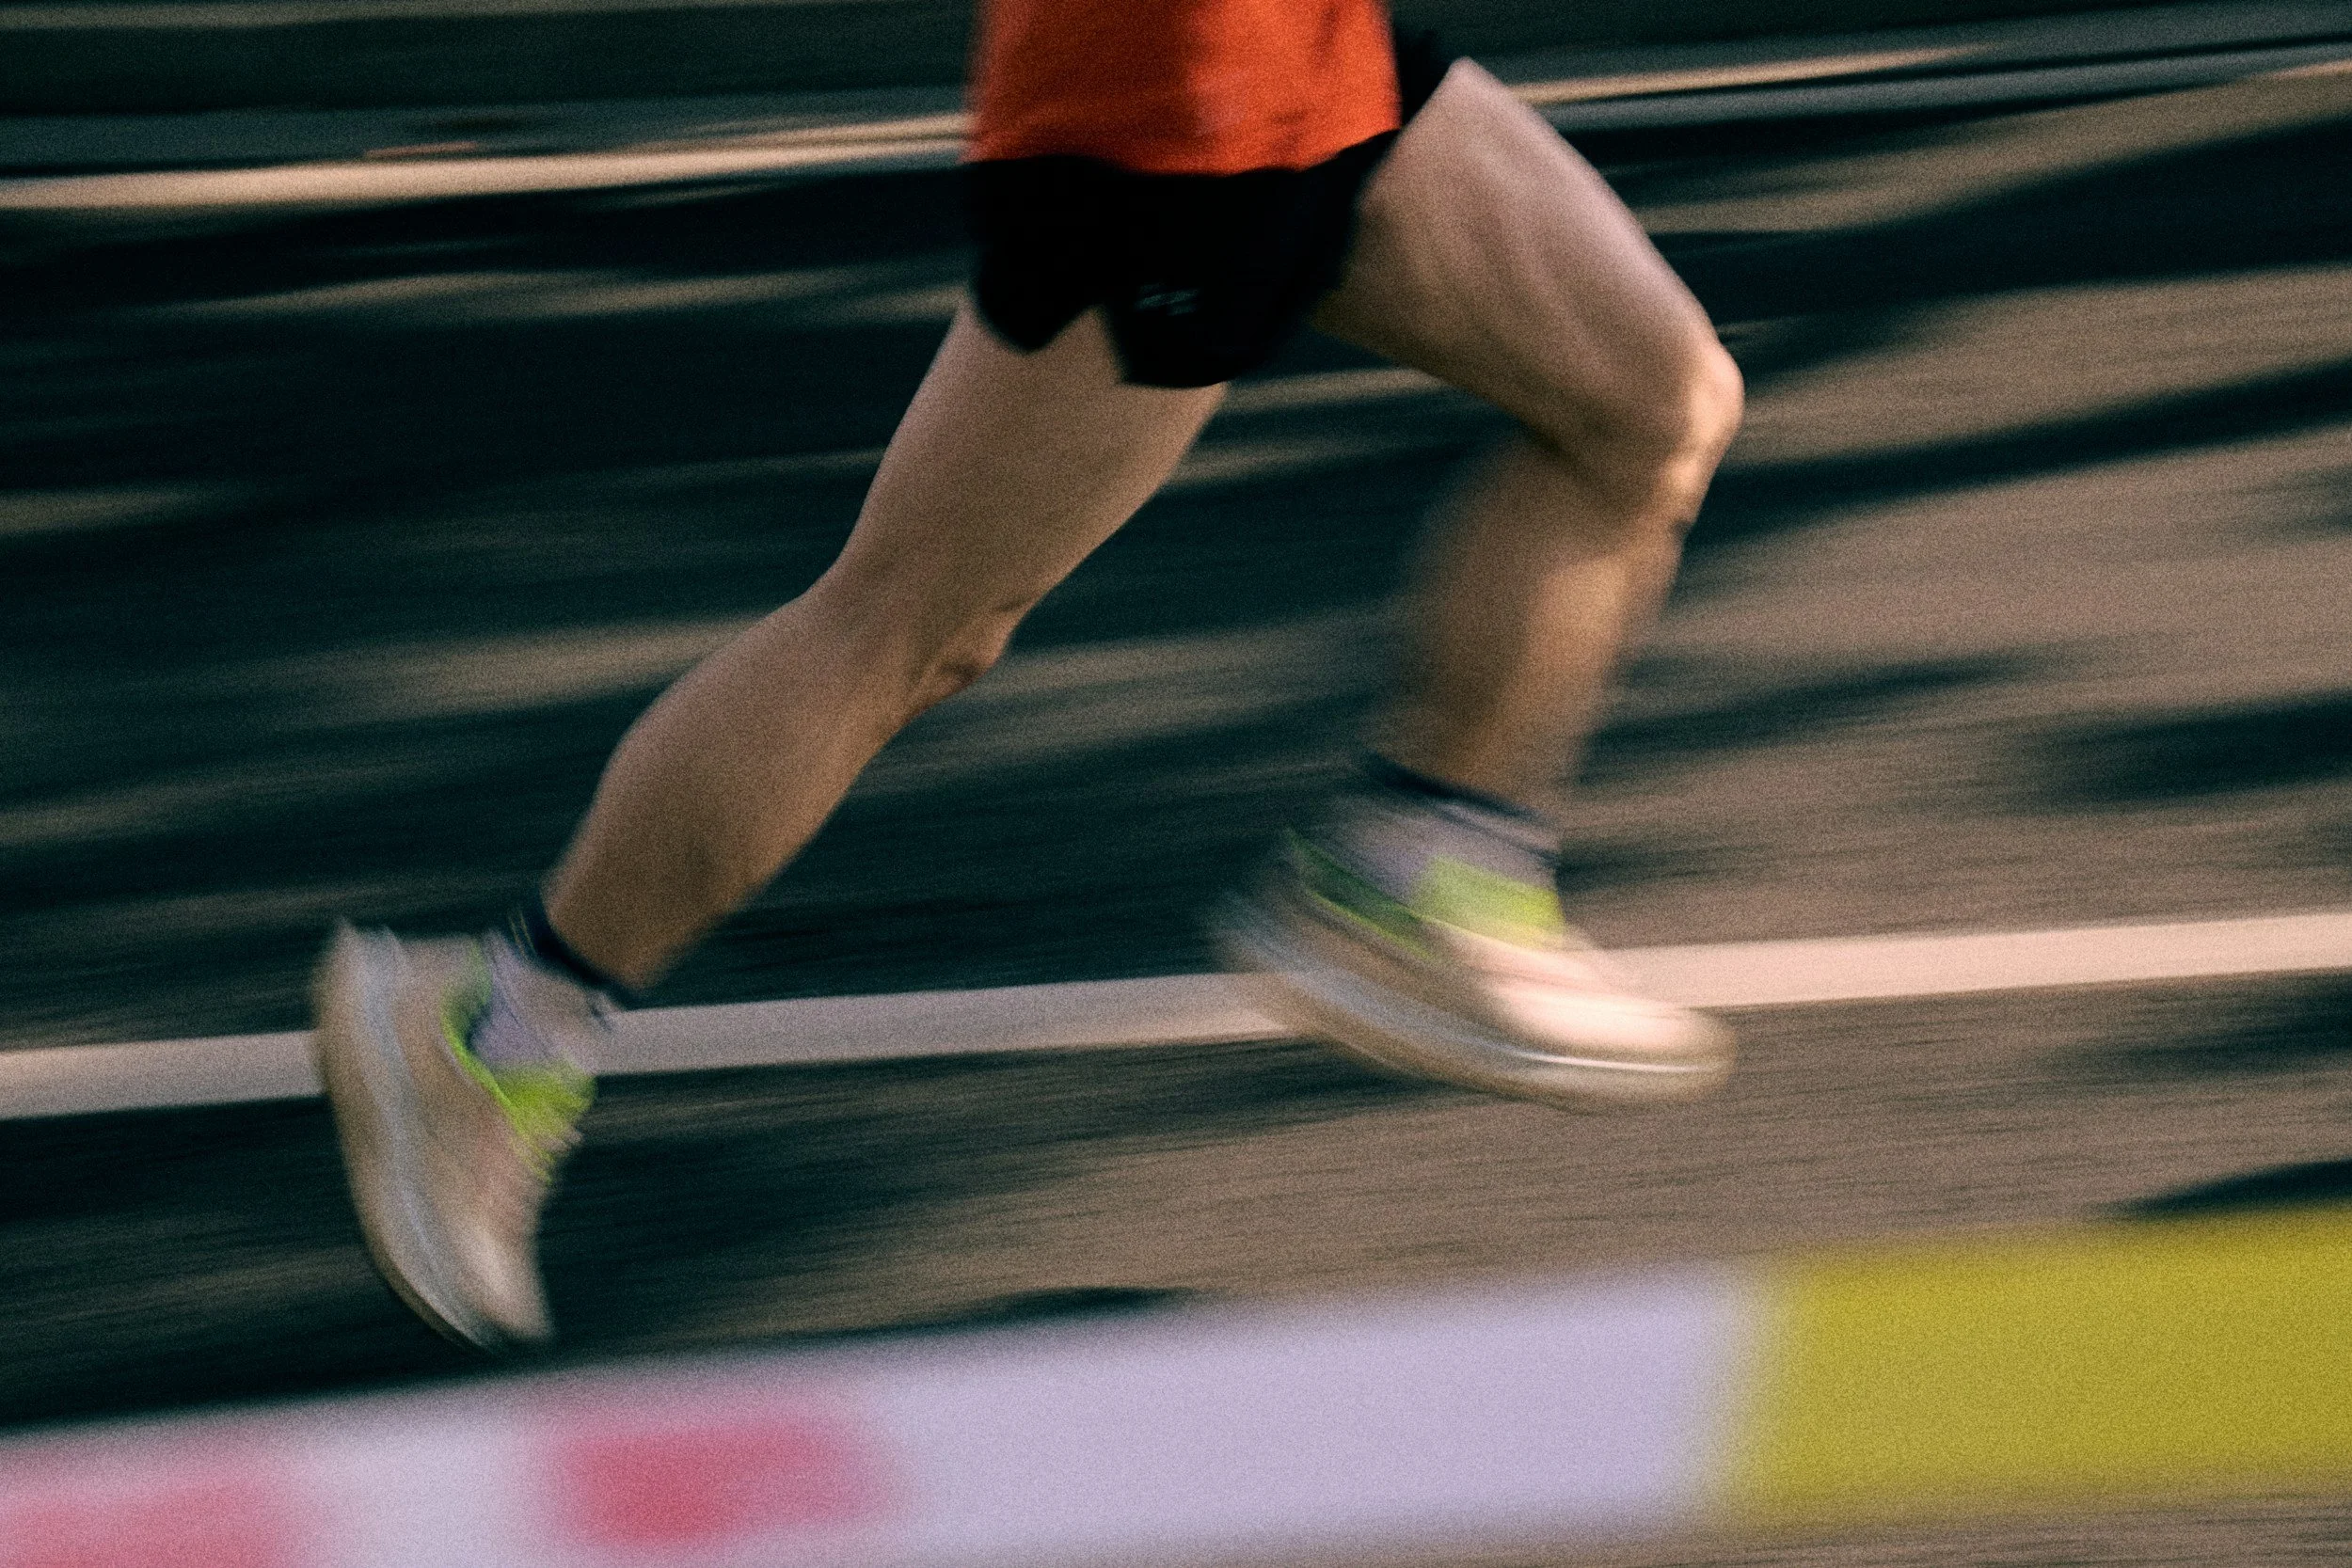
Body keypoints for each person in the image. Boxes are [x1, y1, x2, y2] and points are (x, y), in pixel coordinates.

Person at [311, 0, 1746, 1351]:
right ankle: (495, 1030)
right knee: (909, 626)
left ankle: (1427, 862)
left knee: (1652, 398)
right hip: (1182, 99)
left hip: (1308, 57)